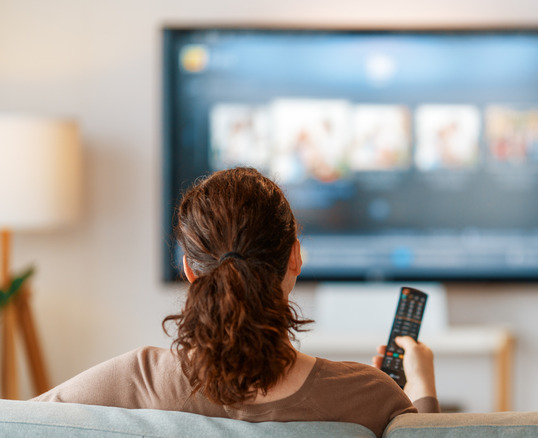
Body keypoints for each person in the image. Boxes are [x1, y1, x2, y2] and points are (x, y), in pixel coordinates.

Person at [32, 167, 439, 437]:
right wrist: (421, 391)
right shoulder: (368, 394)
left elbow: (19, 423)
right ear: (295, 257)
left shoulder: (135, 380)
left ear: (190, 270)